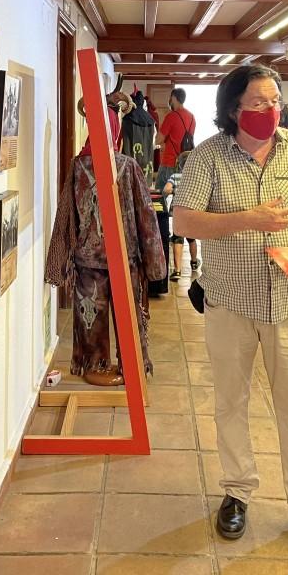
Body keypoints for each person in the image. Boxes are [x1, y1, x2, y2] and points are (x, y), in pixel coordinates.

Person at [173, 64, 288, 564]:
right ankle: (237, 491)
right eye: (258, 103)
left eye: (275, 101)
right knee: (231, 401)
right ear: (233, 109)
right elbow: (184, 220)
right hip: (230, 302)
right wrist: (249, 219)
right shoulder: (208, 157)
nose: (270, 110)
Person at [46, 109, 167, 386]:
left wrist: (59, 263)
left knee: (92, 317)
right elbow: (146, 216)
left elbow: (65, 215)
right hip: (124, 258)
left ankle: (96, 365)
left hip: (90, 261)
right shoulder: (128, 165)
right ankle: (129, 365)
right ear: (116, 131)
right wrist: (155, 264)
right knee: (124, 318)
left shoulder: (79, 165)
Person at [161, 151, 199, 280]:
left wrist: (175, 190)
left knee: (178, 238)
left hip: (178, 212)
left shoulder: (175, 176)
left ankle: (177, 271)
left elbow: (166, 190)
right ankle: (194, 262)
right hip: (193, 211)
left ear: (180, 165)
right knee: (192, 238)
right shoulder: (196, 177)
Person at [155, 88, 196, 192]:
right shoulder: (192, 118)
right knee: (178, 194)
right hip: (184, 162)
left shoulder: (171, 116)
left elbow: (158, 140)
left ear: (173, 98)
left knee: (160, 194)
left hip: (169, 162)